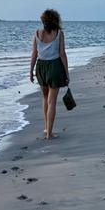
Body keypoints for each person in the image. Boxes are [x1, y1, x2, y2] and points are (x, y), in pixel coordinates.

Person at [29, 9, 69, 139]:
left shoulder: (36, 33)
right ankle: (49, 134)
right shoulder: (59, 33)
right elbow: (62, 54)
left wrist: (31, 70)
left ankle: (47, 128)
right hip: (55, 67)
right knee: (52, 101)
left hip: (41, 67)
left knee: (45, 98)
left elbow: (34, 54)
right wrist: (66, 72)